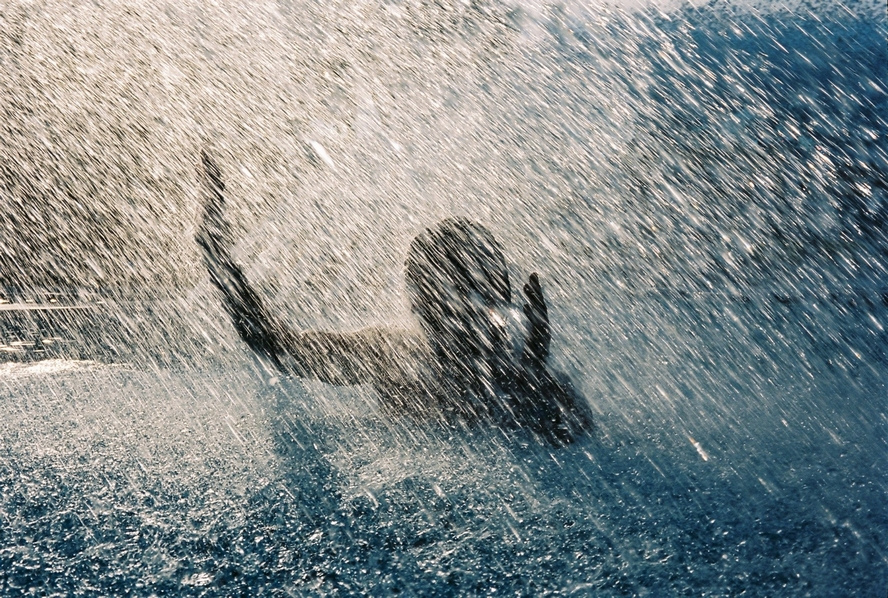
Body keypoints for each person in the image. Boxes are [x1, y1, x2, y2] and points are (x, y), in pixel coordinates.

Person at [196, 150, 592, 444]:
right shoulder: (392, 353)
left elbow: (570, 433)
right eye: (461, 296)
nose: (473, 312)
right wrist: (218, 259)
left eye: (484, 297)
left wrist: (533, 375)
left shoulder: (523, 373)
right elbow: (275, 346)